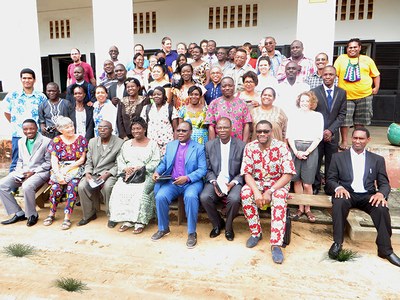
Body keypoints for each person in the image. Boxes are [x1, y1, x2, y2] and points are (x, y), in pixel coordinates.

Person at [326, 128, 400, 267]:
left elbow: (384, 183)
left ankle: (386, 250)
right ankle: (337, 243)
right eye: (355, 138)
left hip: (368, 196)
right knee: (339, 202)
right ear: (351, 138)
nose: (357, 141)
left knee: (382, 207)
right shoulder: (338, 157)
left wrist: (380, 194)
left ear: (368, 140)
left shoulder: (377, 159)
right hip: (347, 193)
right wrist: (338, 187)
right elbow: (330, 180)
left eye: (361, 138)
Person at [241, 120, 296, 264]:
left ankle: (276, 244)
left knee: (278, 197)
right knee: (246, 193)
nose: (262, 134)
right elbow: (247, 174)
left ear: (271, 132)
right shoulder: (250, 147)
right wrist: (257, 193)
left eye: (266, 131)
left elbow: (288, 174)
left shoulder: (282, 147)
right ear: (255, 132)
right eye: (259, 131)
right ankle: (256, 232)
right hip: (258, 182)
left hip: (277, 184)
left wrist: (270, 191)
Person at [151, 121, 207, 249]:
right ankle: (163, 228)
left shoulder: (198, 147)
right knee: (160, 196)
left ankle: (192, 233)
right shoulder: (171, 146)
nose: (180, 133)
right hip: (173, 182)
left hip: (191, 183)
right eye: (178, 130)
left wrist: (187, 178)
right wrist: (157, 171)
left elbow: (202, 169)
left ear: (190, 132)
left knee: (191, 197)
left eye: (184, 131)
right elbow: (164, 163)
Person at [109, 117, 161, 233]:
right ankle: (127, 220)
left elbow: (156, 161)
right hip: (128, 174)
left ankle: (140, 221)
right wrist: (125, 169)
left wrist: (142, 168)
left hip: (145, 174)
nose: (136, 131)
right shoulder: (127, 144)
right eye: (133, 129)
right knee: (119, 188)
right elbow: (120, 159)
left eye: (139, 128)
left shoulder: (152, 144)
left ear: (144, 129)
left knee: (140, 191)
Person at [199, 117, 245, 241]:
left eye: (225, 127)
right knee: (204, 197)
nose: (222, 130)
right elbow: (208, 169)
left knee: (234, 199)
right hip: (215, 180)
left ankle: (229, 227)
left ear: (231, 129)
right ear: (216, 129)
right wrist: (214, 182)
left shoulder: (241, 146)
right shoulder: (209, 145)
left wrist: (233, 183)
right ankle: (217, 223)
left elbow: (244, 170)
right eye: (219, 127)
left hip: (234, 181)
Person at [0, 119, 51, 227]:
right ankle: (19, 213)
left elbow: (49, 163)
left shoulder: (46, 141)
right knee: (2, 185)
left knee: (27, 186)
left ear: (36, 128)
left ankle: (32, 214)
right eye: (25, 129)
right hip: (23, 172)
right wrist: (19, 172)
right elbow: (20, 160)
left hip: (40, 172)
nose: (28, 131)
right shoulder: (21, 141)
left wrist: (33, 172)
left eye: (31, 128)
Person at [334, 38, 380, 151]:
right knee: (345, 121)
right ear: (347, 48)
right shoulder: (341, 59)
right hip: (346, 96)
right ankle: (344, 141)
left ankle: (358, 141)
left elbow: (376, 75)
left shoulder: (367, 60)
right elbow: (335, 75)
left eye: (355, 47)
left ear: (360, 48)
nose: (352, 49)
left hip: (364, 95)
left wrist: (376, 87)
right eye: (350, 47)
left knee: (360, 121)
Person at [43, 116, 88, 230]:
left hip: (76, 168)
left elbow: (82, 160)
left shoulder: (81, 139)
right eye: (67, 127)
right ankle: (51, 213)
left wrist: (67, 169)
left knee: (72, 187)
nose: (71, 129)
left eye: (71, 126)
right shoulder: (56, 140)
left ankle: (67, 216)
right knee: (55, 187)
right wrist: (58, 174)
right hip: (60, 168)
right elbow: (54, 160)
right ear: (60, 130)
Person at [77, 120, 124, 227]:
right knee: (82, 186)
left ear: (112, 130)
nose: (102, 130)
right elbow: (88, 161)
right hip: (95, 172)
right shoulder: (93, 141)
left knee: (108, 187)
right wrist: (87, 173)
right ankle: (89, 214)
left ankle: (112, 215)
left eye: (106, 128)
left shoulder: (119, 143)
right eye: (100, 128)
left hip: (110, 172)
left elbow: (119, 163)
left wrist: (108, 174)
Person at [287, 91, 324, 222]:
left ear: (312, 103)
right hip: (295, 148)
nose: (304, 103)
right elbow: (289, 135)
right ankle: (300, 207)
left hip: (311, 149)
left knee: (308, 183)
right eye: (302, 100)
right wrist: (296, 151)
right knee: (296, 180)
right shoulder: (293, 115)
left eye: (307, 101)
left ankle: (308, 208)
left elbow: (318, 137)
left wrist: (307, 152)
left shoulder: (317, 116)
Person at [3, 68, 47, 172]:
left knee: (36, 161)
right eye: (24, 78)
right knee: (16, 161)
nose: (27, 80)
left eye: (29, 78)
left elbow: (44, 114)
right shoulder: (13, 95)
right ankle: (12, 187)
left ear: (34, 80)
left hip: (36, 135)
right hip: (18, 134)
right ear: (21, 79)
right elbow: (6, 112)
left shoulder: (41, 97)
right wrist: (16, 125)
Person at [311, 66, 347, 195]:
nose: (327, 77)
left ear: (335, 76)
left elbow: (342, 114)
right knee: (316, 160)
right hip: (317, 133)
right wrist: (321, 131)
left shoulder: (341, 93)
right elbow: (312, 113)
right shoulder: (314, 91)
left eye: (330, 74)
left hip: (332, 134)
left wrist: (330, 131)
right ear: (322, 76)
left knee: (331, 162)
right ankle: (316, 185)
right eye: (325, 74)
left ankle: (330, 186)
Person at [205, 77, 252, 142]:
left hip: (238, 144)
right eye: (224, 86)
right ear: (221, 88)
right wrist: (213, 145)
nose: (227, 88)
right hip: (219, 143)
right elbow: (211, 125)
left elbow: (246, 124)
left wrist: (243, 144)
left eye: (230, 86)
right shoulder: (214, 103)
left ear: (234, 86)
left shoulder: (242, 103)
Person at [141, 86, 178, 156]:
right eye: (154, 94)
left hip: (167, 143)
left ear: (163, 95)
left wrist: (175, 144)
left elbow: (176, 129)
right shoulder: (147, 108)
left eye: (159, 94)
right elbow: (142, 127)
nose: (156, 96)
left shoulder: (170, 108)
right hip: (151, 143)